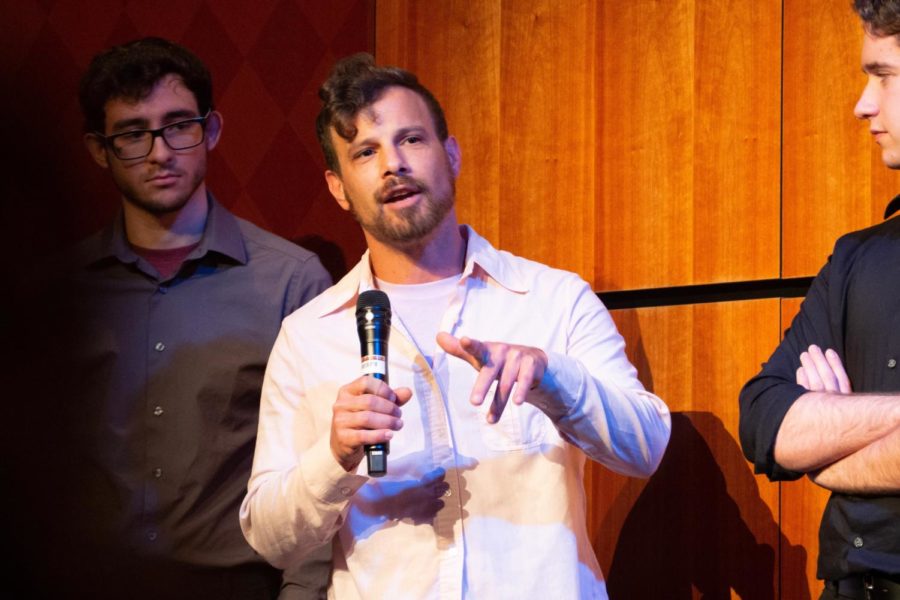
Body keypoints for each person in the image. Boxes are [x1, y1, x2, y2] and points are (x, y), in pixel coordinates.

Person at [239, 53, 671, 599]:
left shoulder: (552, 299)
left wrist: (551, 379)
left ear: (451, 154)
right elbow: (271, 539)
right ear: (338, 188)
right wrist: (335, 459)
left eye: (411, 140)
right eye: (365, 153)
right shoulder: (308, 336)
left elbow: (647, 445)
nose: (392, 165)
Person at [12, 37, 332, 598]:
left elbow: (322, 466)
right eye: (133, 133)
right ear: (97, 149)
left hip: (239, 586)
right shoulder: (54, 292)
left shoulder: (293, 282)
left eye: (177, 125)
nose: (160, 152)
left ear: (210, 131)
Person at [739, 2, 900, 598]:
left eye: (882, 75)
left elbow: (807, 444)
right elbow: (764, 421)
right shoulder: (857, 257)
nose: (863, 103)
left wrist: (834, 451)